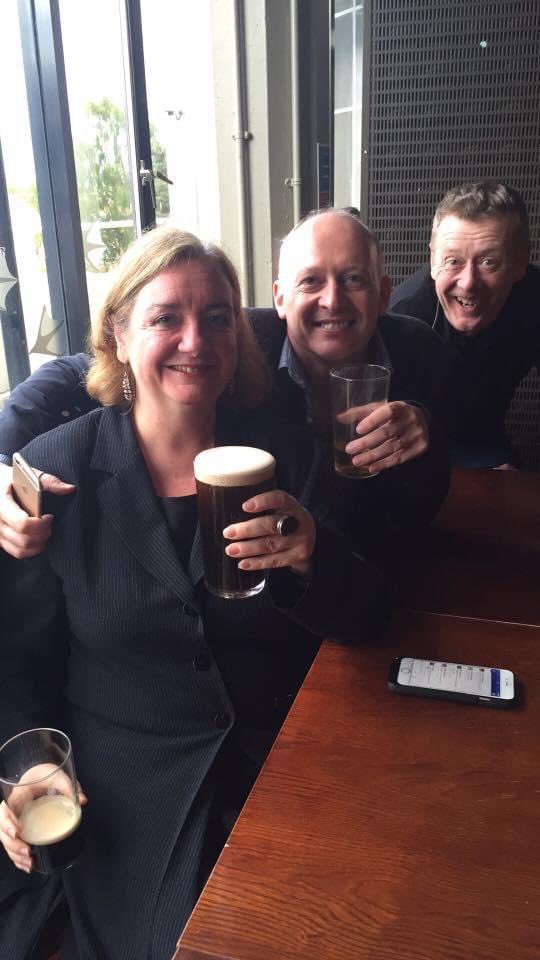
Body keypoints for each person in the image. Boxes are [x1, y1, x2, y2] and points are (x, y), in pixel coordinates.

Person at [0, 226, 385, 959]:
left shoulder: (291, 456)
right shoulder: (56, 474)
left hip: (283, 770)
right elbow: (15, 662)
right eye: (165, 317)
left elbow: (369, 616)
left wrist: (311, 559)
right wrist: (30, 765)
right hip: (125, 784)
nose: (195, 340)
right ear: (117, 336)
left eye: (216, 317)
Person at [0, 208, 452, 561]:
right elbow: (75, 374)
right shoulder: (238, 338)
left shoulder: (417, 350)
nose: (331, 299)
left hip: (366, 567)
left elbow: (431, 497)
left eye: (354, 279)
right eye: (310, 280)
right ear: (279, 297)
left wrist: (426, 432)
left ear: (385, 294)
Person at [390, 180, 540, 468]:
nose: (469, 283)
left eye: (489, 262)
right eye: (453, 261)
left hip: (488, 441)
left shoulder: (534, 300)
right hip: (411, 453)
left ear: (521, 262)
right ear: (433, 259)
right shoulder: (403, 318)